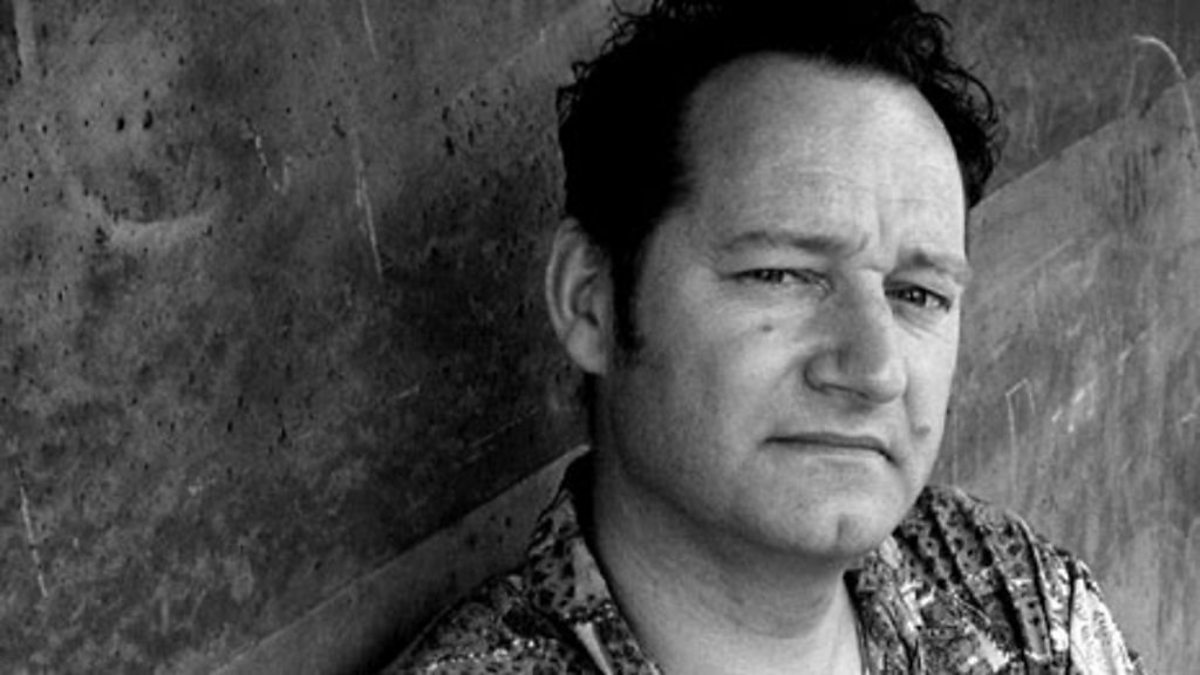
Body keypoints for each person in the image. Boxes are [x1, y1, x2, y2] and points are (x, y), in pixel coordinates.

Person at [389, 0, 1145, 672]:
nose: (875, 369)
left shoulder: (1010, 593)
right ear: (591, 301)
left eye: (917, 293)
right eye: (782, 274)